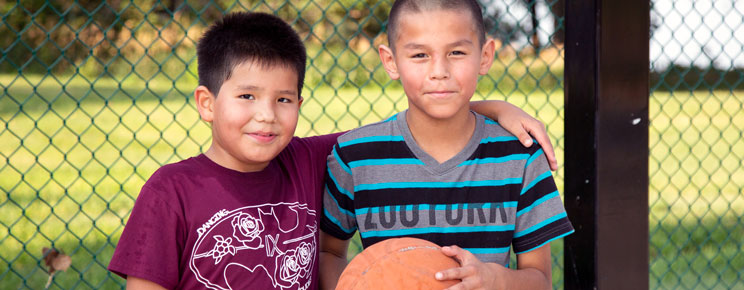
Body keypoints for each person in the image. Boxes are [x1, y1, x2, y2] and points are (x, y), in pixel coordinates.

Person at [107, 10, 558, 290]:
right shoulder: (171, 190)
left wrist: (491, 109)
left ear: (299, 104)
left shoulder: (311, 160)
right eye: (247, 97)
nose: (266, 116)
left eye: (283, 100)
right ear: (207, 102)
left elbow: (425, 117)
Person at [319, 1, 574, 289]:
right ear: (391, 62)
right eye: (419, 54)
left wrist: (494, 279)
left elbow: (539, 280)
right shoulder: (356, 157)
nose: (439, 71)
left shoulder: (520, 156)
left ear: (485, 56)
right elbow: (329, 251)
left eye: (456, 52)